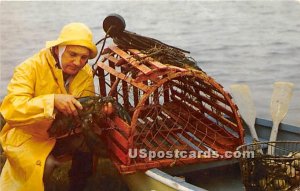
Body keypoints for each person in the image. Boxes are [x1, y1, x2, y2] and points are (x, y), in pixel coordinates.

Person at [0, 22, 111, 191]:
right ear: (59, 49)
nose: (77, 62)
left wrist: (101, 113)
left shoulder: (85, 72)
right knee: (46, 165)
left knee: (88, 142)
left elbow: (85, 109)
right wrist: (51, 101)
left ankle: (77, 186)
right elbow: (11, 109)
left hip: (61, 132)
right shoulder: (29, 67)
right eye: (72, 54)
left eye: (83, 58)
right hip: (28, 135)